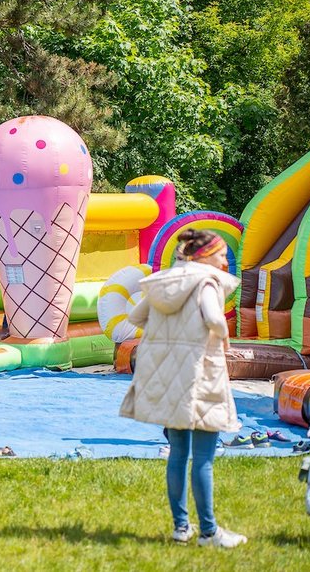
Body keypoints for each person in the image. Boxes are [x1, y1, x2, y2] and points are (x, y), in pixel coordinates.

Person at [119, 229, 247, 548]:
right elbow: (215, 319)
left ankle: (180, 527)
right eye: (220, 255)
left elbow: (136, 316)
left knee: (177, 452)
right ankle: (209, 532)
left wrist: (169, 334)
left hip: (168, 374)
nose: (224, 260)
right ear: (205, 256)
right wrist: (225, 337)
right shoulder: (206, 281)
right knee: (203, 457)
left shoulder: (166, 282)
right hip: (202, 374)